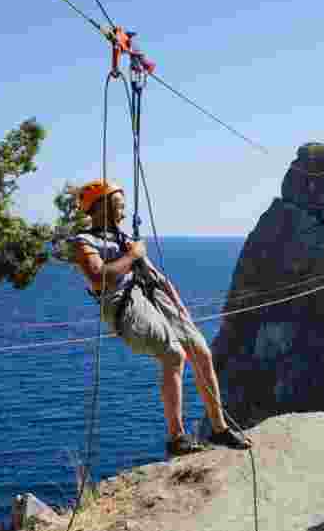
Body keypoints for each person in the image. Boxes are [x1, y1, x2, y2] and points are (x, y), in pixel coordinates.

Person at [69, 179, 252, 456]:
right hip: (125, 302)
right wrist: (131, 256)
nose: (122, 212)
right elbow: (98, 278)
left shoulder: (125, 240)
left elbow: (157, 276)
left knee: (201, 352)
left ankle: (220, 429)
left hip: (153, 295)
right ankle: (176, 438)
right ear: (100, 208)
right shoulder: (85, 242)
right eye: (118, 206)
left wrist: (179, 307)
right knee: (173, 355)